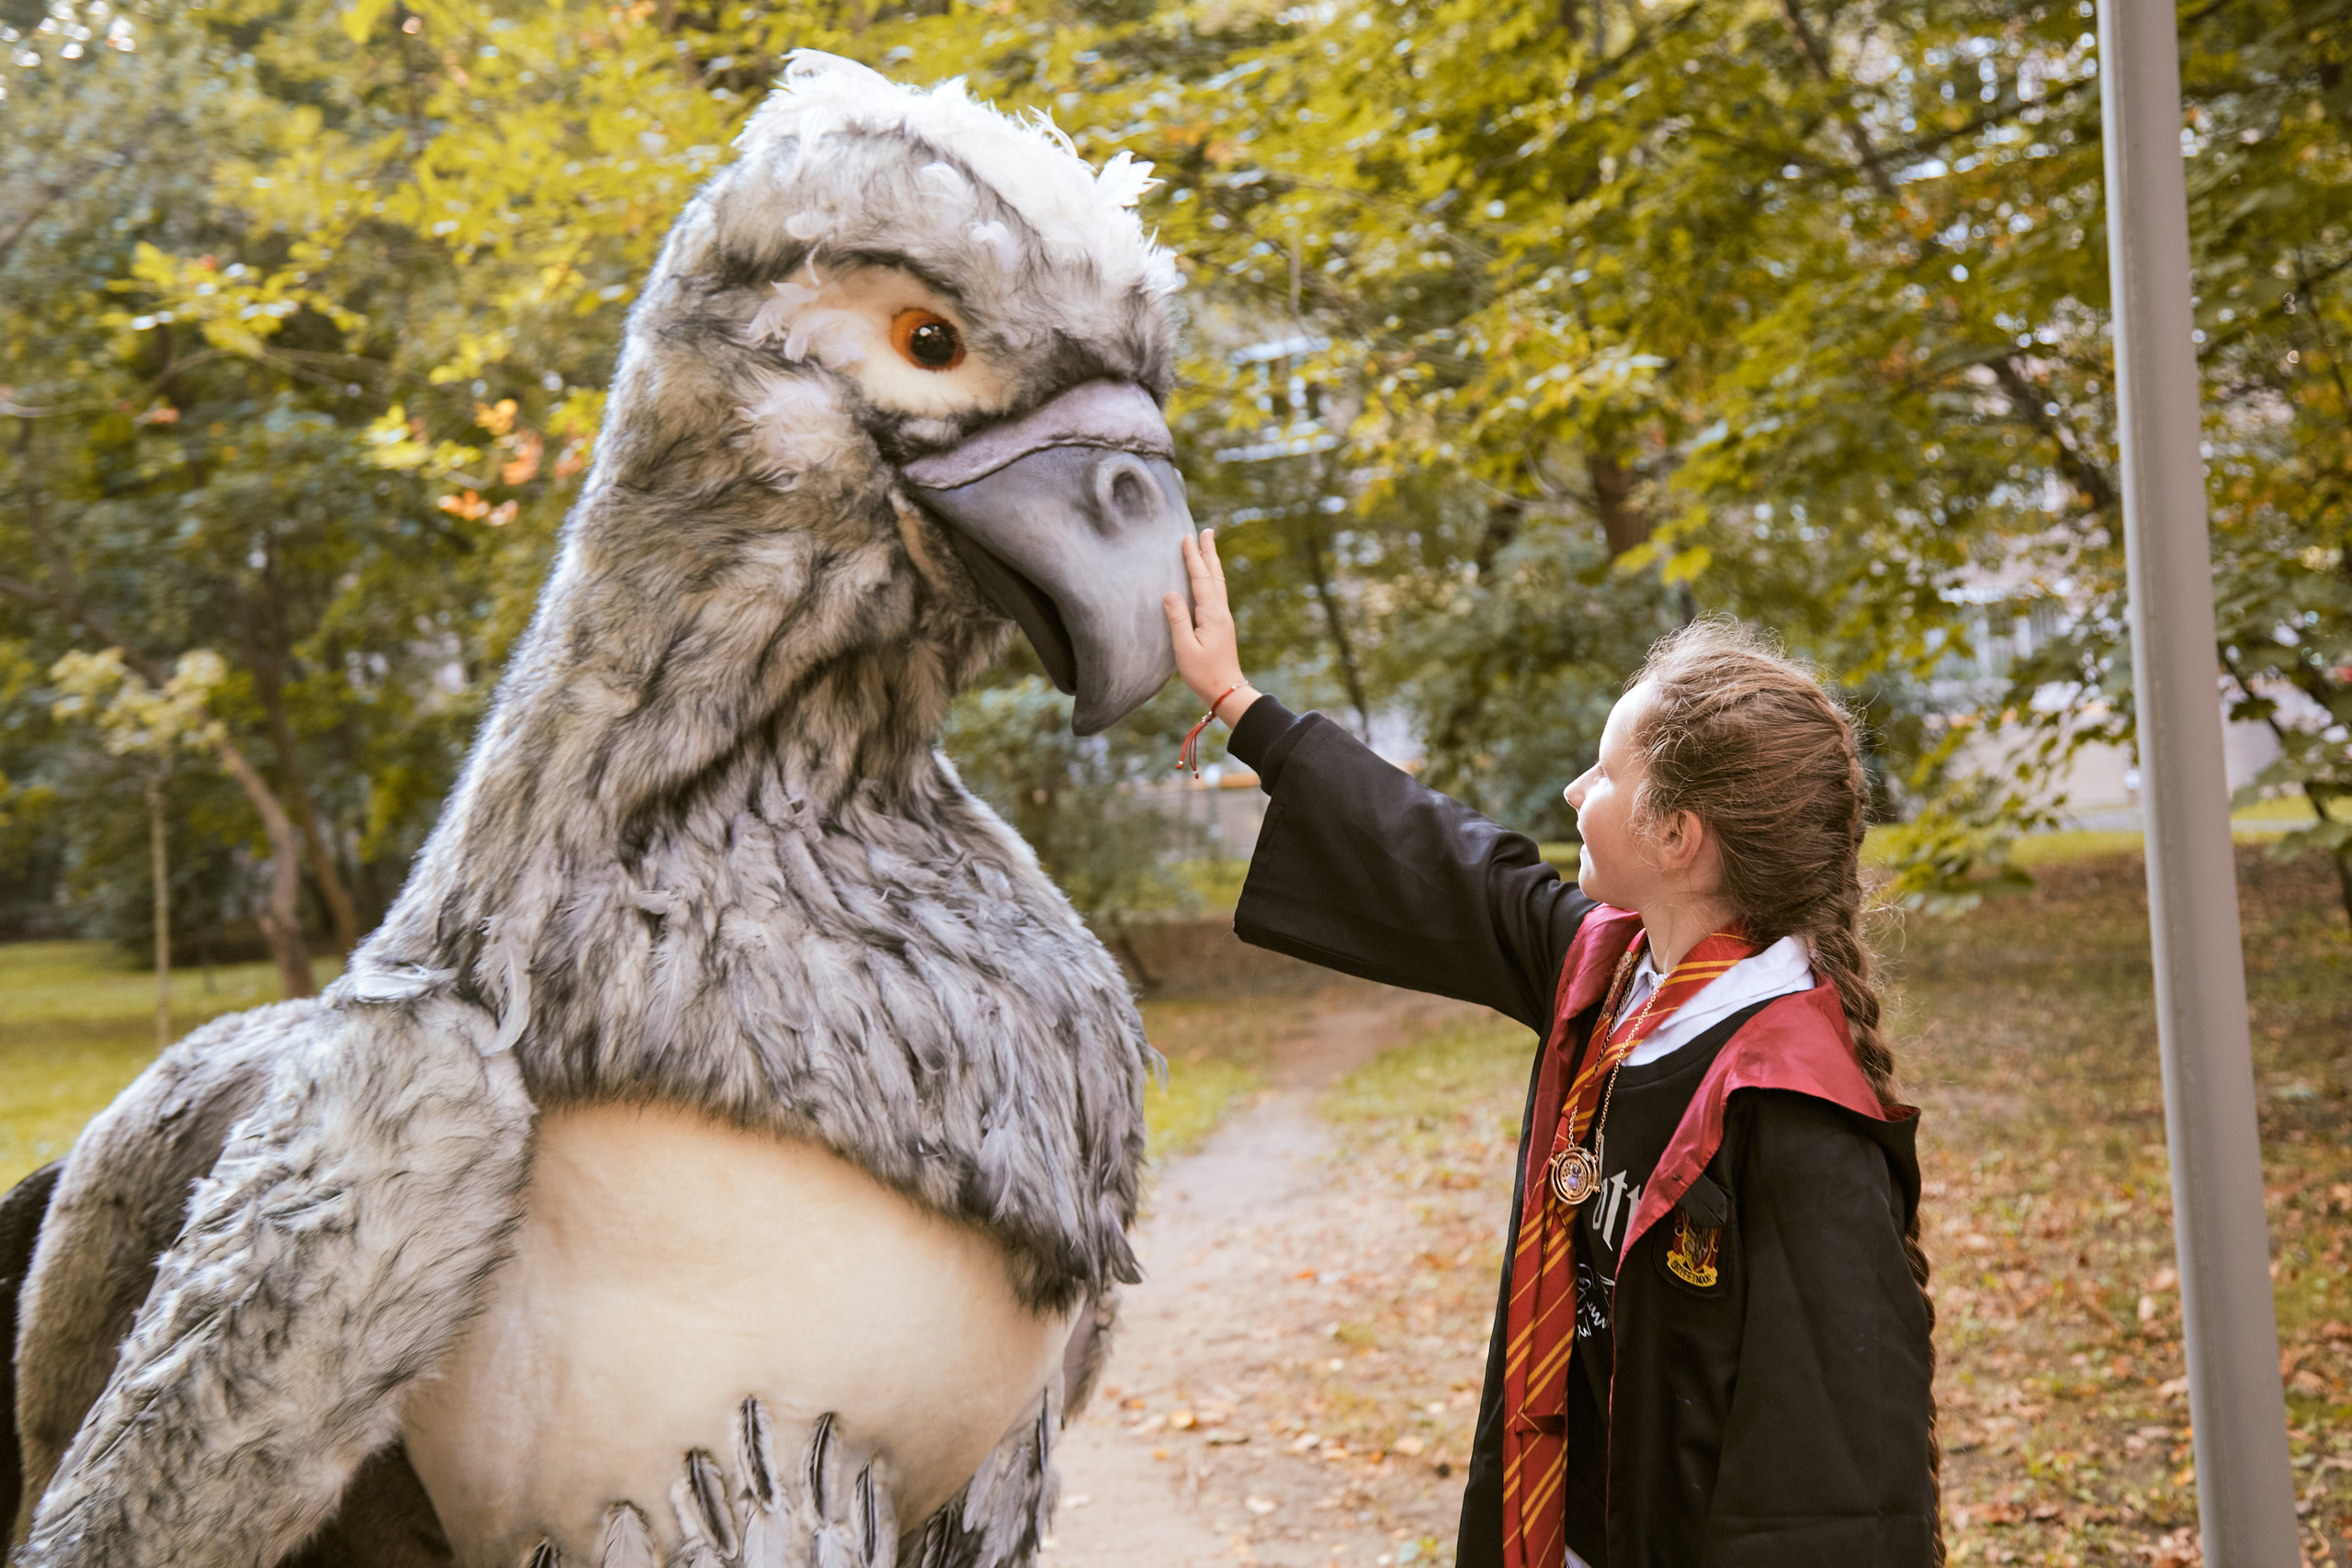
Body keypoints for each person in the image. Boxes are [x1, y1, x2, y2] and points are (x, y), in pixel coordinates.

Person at [1161, 530, 1939, 1567]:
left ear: (1678, 838)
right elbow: (1442, 859)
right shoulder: (1607, 976)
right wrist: (1237, 702)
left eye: (1606, 775)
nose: (1577, 791)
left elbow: (1828, 1482)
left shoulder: (1792, 1105)